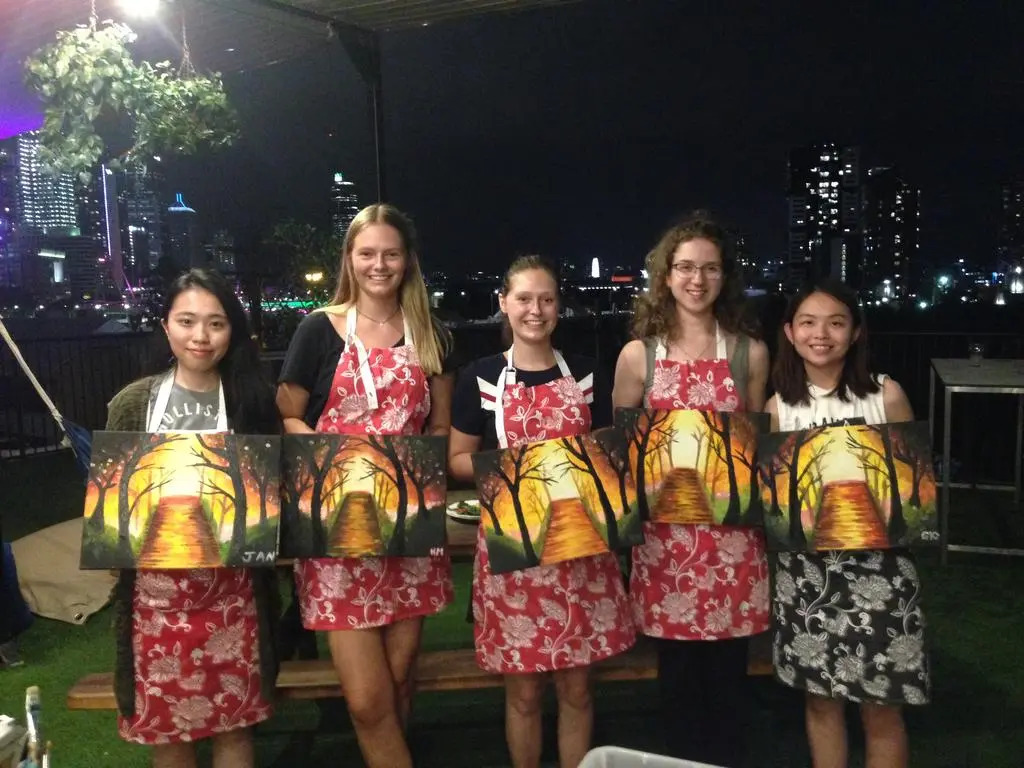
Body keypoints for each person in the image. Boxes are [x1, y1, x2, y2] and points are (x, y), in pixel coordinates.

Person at [276, 204, 456, 768]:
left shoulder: (432, 335)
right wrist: (337, 461)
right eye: (367, 253)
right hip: (338, 527)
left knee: (399, 681)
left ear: (408, 261)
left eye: (391, 254)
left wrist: (414, 474)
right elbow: (287, 415)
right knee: (367, 702)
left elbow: (440, 428)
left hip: (407, 528)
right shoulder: (318, 328)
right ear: (350, 259)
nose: (379, 264)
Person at [448, 255, 635, 768]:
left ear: (559, 306)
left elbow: (606, 455)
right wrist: (518, 470)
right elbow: (458, 459)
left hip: (581, 553)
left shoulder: (588, 374)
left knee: (577, 691)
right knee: (524, 695)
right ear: (504, 304)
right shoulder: (481, 377)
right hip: (514, 553)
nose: (536, 310)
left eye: (547, 299)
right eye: (524, 299)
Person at [611, 212, 770, 767]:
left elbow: (755, 444)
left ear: (725, 276)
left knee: (728, 684)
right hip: (665, 546)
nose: (696, 279)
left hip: (732, 545)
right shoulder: (639, 356)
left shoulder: (749, 352)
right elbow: (622, 451)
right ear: (666, 274)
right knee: (677, 682)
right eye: (684, 267)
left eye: (709, 268)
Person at [107, 268, 280, 768]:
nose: (200, 336)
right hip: (155, 605)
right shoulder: (134, 405)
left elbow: (272, 498)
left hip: (235, 599)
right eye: (186, 321)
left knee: (234, 729)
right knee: (169, 735)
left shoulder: (250, 403)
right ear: (166, 326)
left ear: (232, 331)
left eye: (216, 323)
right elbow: (112, 507)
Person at [766, 279, 929, 768]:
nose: (821, 334)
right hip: (806, 576)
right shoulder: (777, 408)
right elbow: (775, 498)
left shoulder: (886, 395)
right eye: (808, 323)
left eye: (836, 323)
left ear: (855, 332)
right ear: (790, 333)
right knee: (821, 701)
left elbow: (914, 491)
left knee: (882, 706)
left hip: (883, 574)